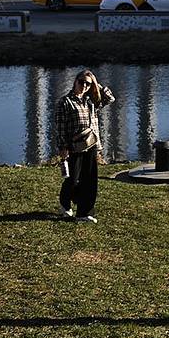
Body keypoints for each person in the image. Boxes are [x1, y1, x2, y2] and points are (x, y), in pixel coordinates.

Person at [54, 69, 115, 223]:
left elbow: (110, 98)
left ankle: (84, 213)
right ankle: (65, 204)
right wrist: (62, 147)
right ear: (75, 81)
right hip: (74, 146)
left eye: (87, 84)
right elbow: (60, 126)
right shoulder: (65, 102)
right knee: (73, 179)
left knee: (90, 180)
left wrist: (96, 85)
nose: (84, 86)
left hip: (91, 144)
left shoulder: (91, 102)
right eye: (81, 82)